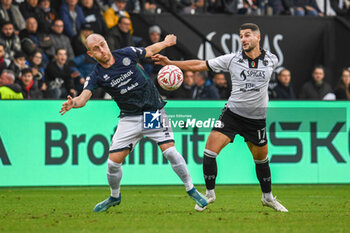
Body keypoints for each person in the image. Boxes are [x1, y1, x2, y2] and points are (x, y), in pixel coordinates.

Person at [59, 33, 208, 212]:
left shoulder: (126, 53)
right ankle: (114, 196)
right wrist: (72, 103)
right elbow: (83, 99)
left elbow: (150, 50)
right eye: (96, 49)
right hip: (129, 118)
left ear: (107, 43)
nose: (101, 49)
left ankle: (191, 189)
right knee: (113, 164)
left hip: (151, 112)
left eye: (102, 44)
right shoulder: (96, 75)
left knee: (169, 151)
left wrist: (167, 42)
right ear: (91, 54)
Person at [153, 23, 288, 212]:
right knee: (209, 152)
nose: (243, 39)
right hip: (232, 115)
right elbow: (200, 64)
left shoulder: (272, 60)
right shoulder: (232, 59)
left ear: (258, 37)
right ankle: (209, 195)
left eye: (247, 35)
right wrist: (171, 63)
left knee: (261, 160)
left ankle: (267, 198)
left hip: (256, 120)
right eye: (241, 36)